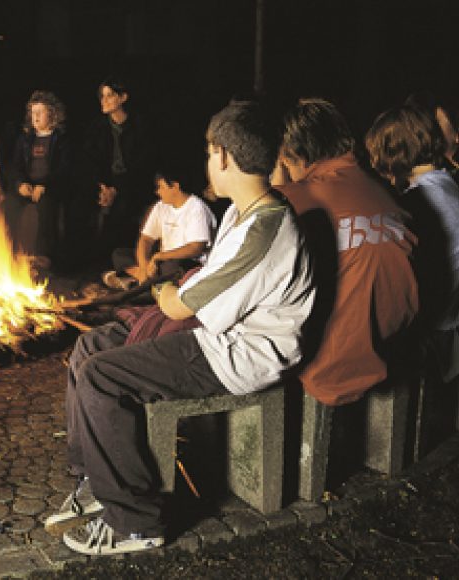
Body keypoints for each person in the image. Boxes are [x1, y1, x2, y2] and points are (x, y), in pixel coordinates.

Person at [52, 100, 315, 555]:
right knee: (88, 346)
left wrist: (163, 292)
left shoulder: (266, 229)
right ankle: (95, 477)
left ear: (225, 157)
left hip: (239, 356)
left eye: (210, 153)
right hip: (214, 334)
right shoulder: (239, 211)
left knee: (101, 375)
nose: (209, 163)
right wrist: (172, 292)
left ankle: (135, 521)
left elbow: (178, 305)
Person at [275, 98, 418, 405]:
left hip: (323, 371)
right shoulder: (387, 194)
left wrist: (278, 183)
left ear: (296, 155)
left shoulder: (294, 201)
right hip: (394, 350)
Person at [366, 106, 459, 382]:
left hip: (433, 333)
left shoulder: (420, 201)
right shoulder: (450, 184)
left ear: (394, 152)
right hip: (452, 323)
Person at [76, 77, 155, 265]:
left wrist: (116, 189)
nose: (104, 101)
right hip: (105, 182)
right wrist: (102, 186)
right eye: (102, 96)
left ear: (123, 98)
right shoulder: (97, 127)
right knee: (80, 202)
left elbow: (143, 165)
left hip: (132, 183)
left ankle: (120, 263)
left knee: (123, 208)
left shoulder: (139, 126)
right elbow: (90, 160)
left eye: (109, 96)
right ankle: (85, 264)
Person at [101, 164, 215, 290]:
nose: (157, 191)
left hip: (186, 263)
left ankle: (135, 282)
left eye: (161, 187)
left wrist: (159, 256)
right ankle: (143, 280)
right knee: (119, 255)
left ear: (175, 186)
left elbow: (195, 248)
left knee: (173, 268)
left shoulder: (196, 208)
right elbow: (146, 239)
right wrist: (144, 267)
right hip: (162, 263)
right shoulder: (161, 206)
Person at [3, 90, 72, 268]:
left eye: (40, 112)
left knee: (46, 207)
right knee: (9, 204)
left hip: (51, 187)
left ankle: (44, 257)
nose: (36, 116)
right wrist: (20, 184)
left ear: (52, 113)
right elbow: (15, 166)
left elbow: (65, 170)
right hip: (28, 186)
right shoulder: (25, 139)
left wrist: (45, 185)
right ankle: (7, 252)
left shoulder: (62, 139)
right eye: (33, 112)